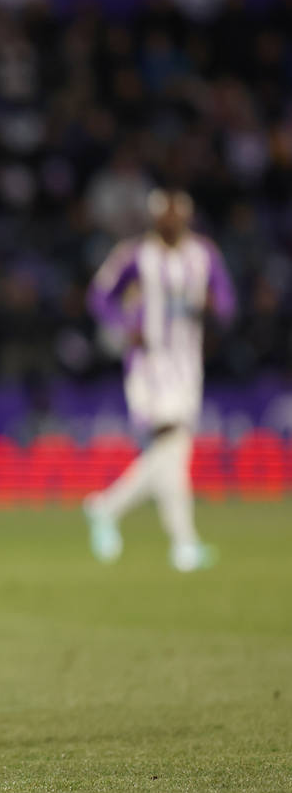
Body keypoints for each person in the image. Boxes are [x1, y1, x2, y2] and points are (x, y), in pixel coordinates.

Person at [82, 188, 236, 572]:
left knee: (174, 453)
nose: (170, 222)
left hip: (187, 363)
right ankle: (118, 512)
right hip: (148, 364)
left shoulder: (204, 255)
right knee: (174, 443)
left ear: (186, 217)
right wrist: (123, 327)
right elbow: (99, 297)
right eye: (164, 216)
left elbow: (228, 303)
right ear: (155, 219)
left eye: (176, 215)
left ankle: (176, 542)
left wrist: (215, 308)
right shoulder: (134, 255)